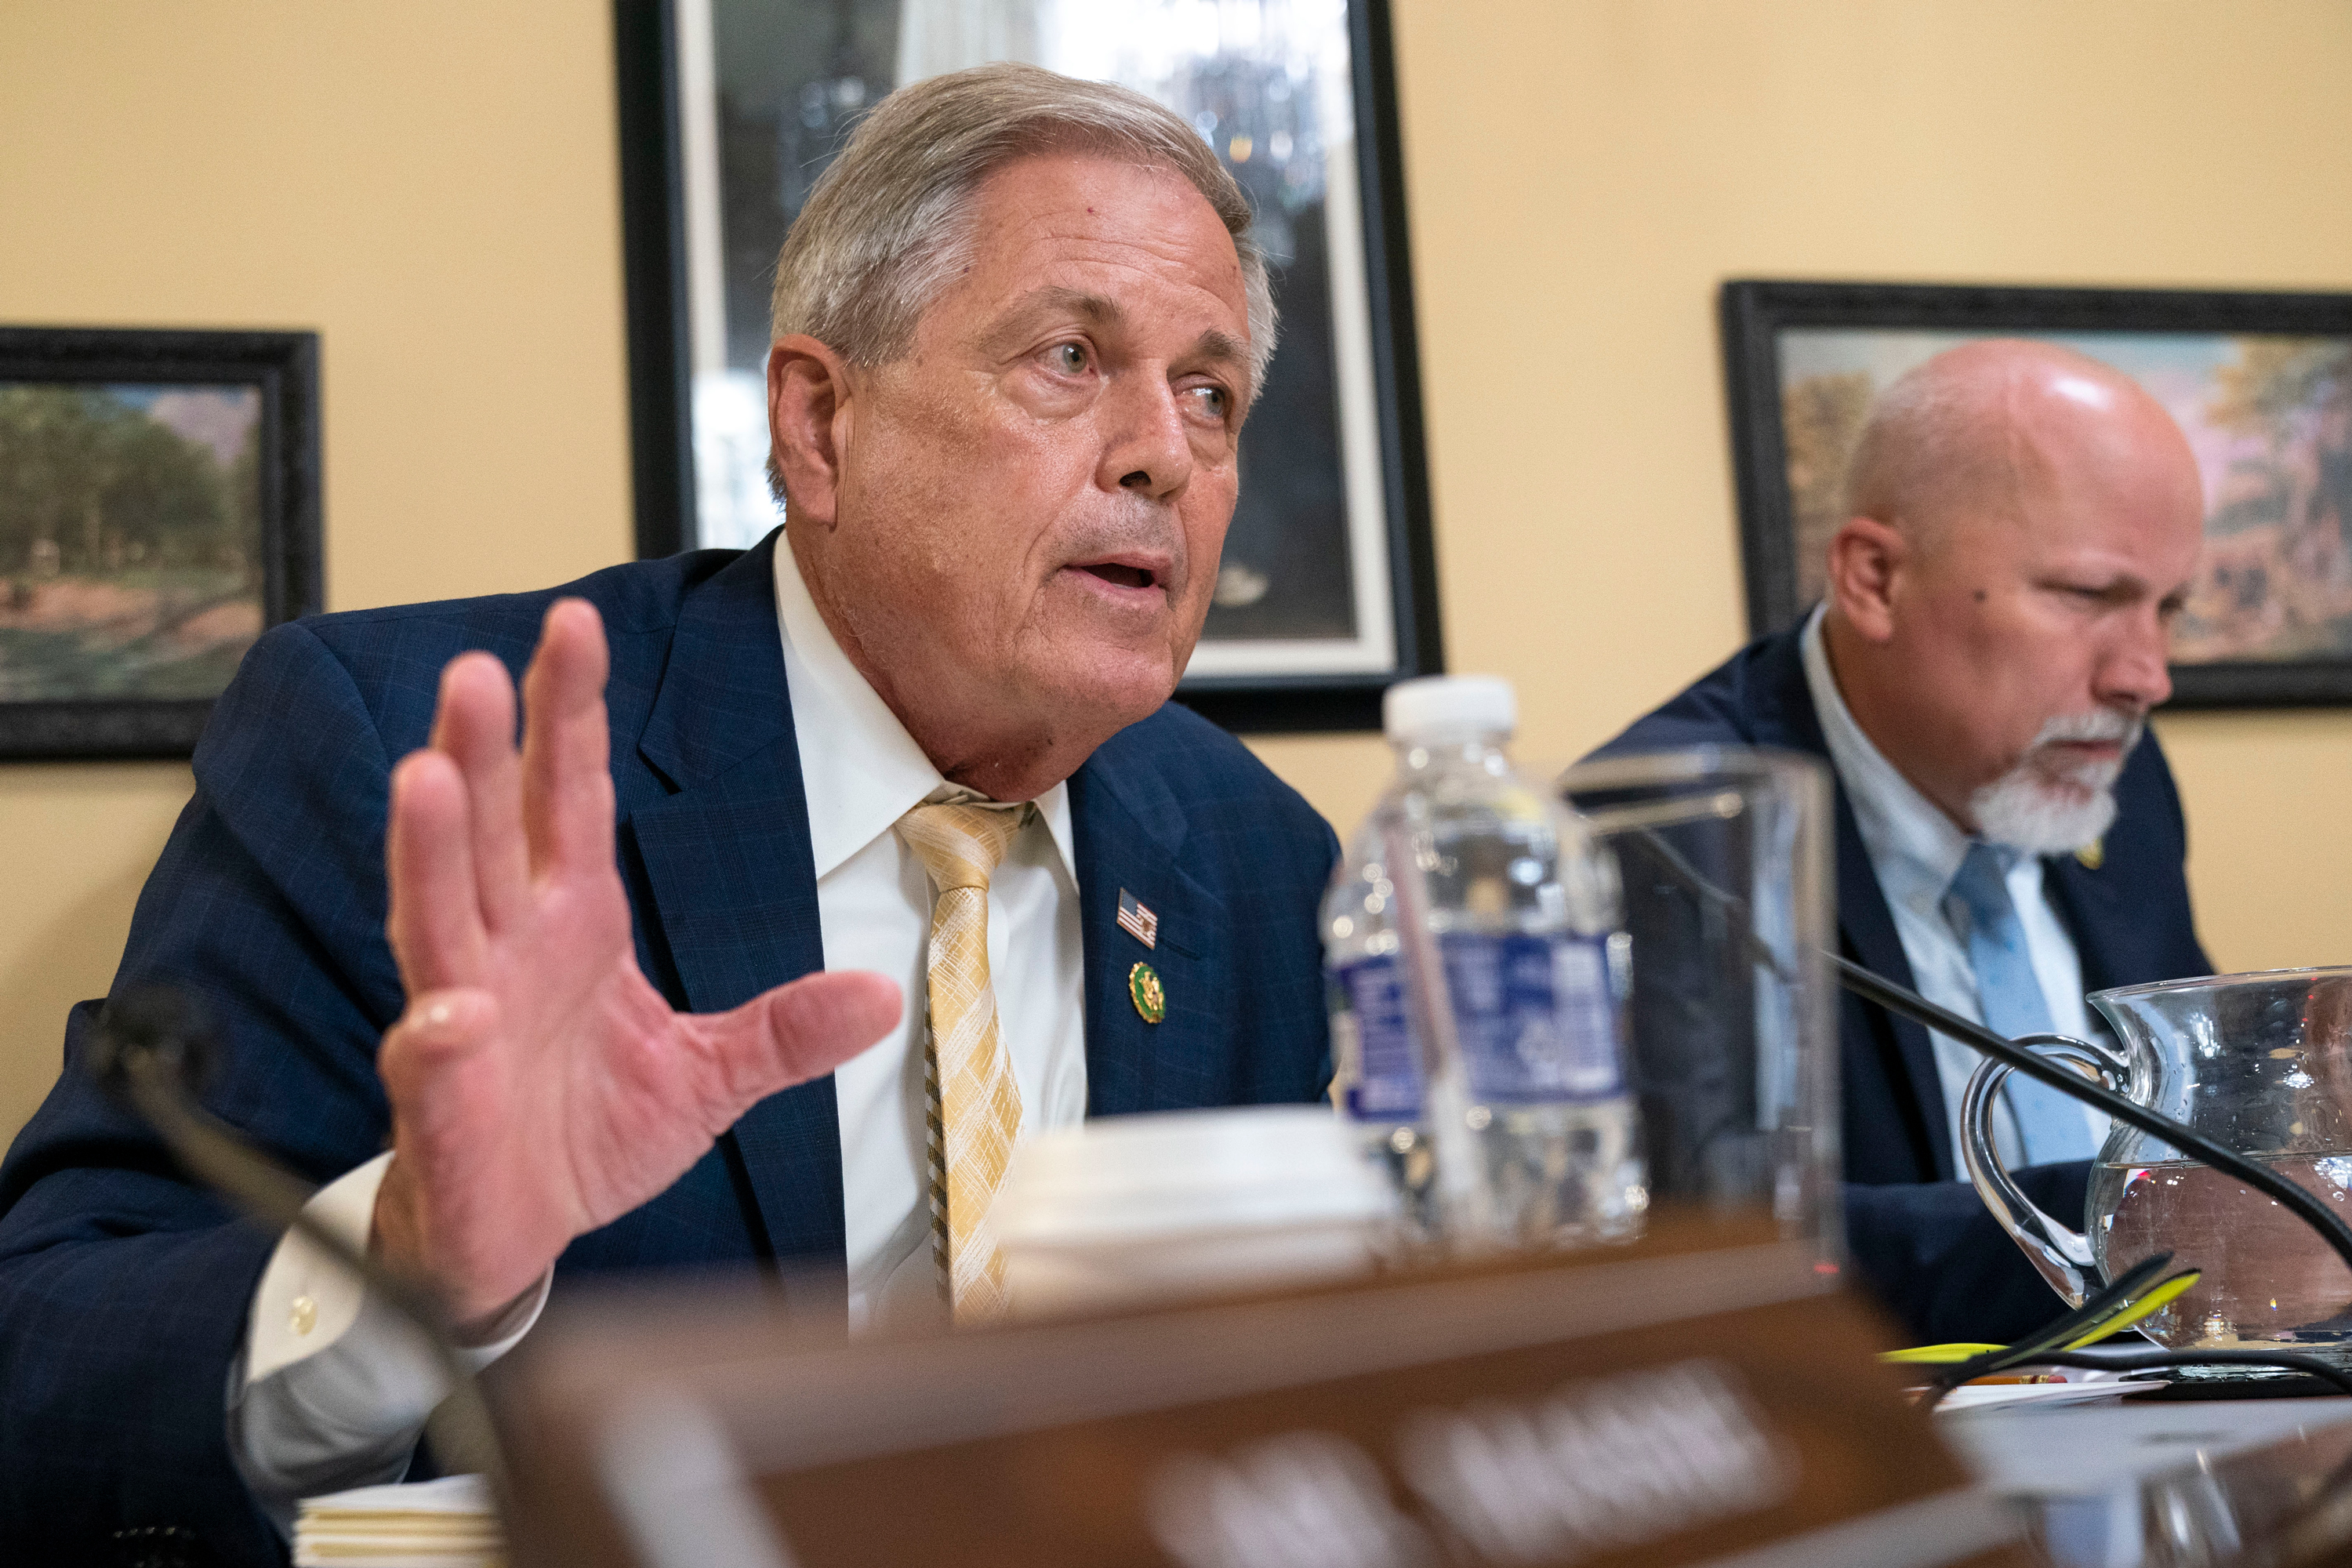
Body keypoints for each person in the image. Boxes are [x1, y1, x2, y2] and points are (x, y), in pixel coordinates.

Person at [0, 64, 1339, 1561]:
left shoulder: (1256, 857)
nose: (1163, 453)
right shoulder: (406, 750)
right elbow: (40, 1352)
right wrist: (410, 1262)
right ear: (819, 424)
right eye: (1071, 356)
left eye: (1209, 394)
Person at [1592, 339, 2212, 1343]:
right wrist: (2156, 1226)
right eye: (2088, 597)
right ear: (1875, 577)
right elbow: (1707, 1238)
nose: (2146, 676)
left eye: (2170, 608)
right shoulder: (1672, 831)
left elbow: (2200, 1098)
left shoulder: (2117, 779)